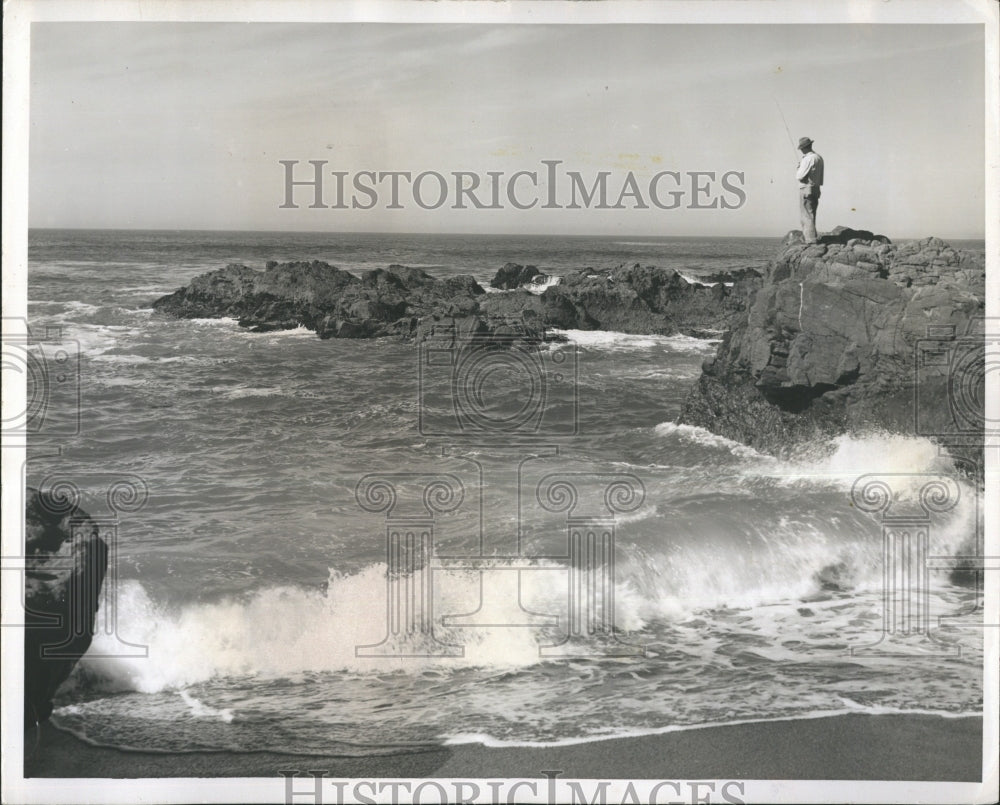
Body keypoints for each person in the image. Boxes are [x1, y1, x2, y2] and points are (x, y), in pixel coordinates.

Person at [796, 137, 824, 243]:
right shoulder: (819, 157)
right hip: (816, 188)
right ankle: (812, 237)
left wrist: (799, 168)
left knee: (806, 214)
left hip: (806, 188)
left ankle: (810, 239)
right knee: (812, 213)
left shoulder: (808, 159)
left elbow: (800, 176)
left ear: (804, 148)